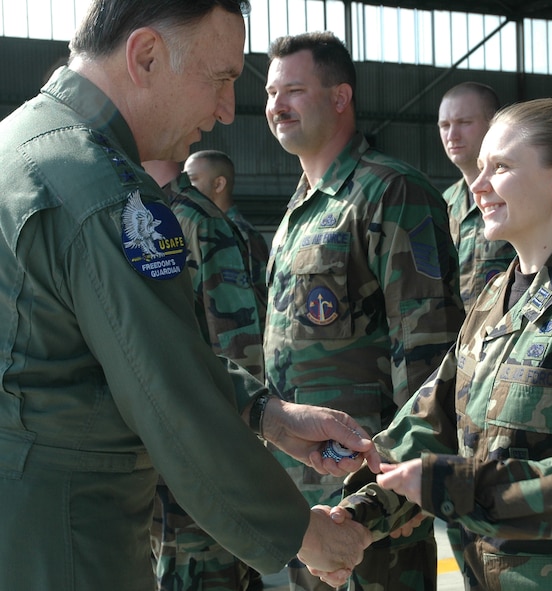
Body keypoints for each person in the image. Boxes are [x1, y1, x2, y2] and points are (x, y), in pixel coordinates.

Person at [0, 2, 378, 590]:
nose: (228, 110)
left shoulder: (20, 142)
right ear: (146, 56)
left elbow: (104, 354)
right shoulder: (107, 196)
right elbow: (166, 393)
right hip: (67, 536)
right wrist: (305, 533)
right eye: (221, 78)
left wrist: (265, 413)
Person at [318, 98, 552, 590]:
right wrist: (355, 515)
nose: (478, 184)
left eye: (502, 167)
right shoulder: (496, 298)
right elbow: (432, 421)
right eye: (481, 167)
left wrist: (459, 488)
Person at [263, 31, 465, 591]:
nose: (277, 105)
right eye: (271, 92)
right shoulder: (299, 210)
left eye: (294, 90)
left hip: (371, 496)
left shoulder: (391, 192)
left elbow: (430, 353)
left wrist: (409, 484)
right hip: (306, 498)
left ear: (339, 97)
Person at [144, 157, 267, 591]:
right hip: (150, 465)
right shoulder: (136, 210)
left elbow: (241, 350)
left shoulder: (197, 221)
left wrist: (231, 455)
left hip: (196, 459)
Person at [437, 82, 516, 311]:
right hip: (459, 341)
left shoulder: (516, 194)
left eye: (464, 123)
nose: (452, 135)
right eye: (444, 125)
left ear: (493, 123)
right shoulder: (445, 201)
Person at [185, 149, 269, 330]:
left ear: (218, 184)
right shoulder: (205, 228)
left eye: (192, 179)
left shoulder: (239, 234)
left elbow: (248, 309)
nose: (186, 188)